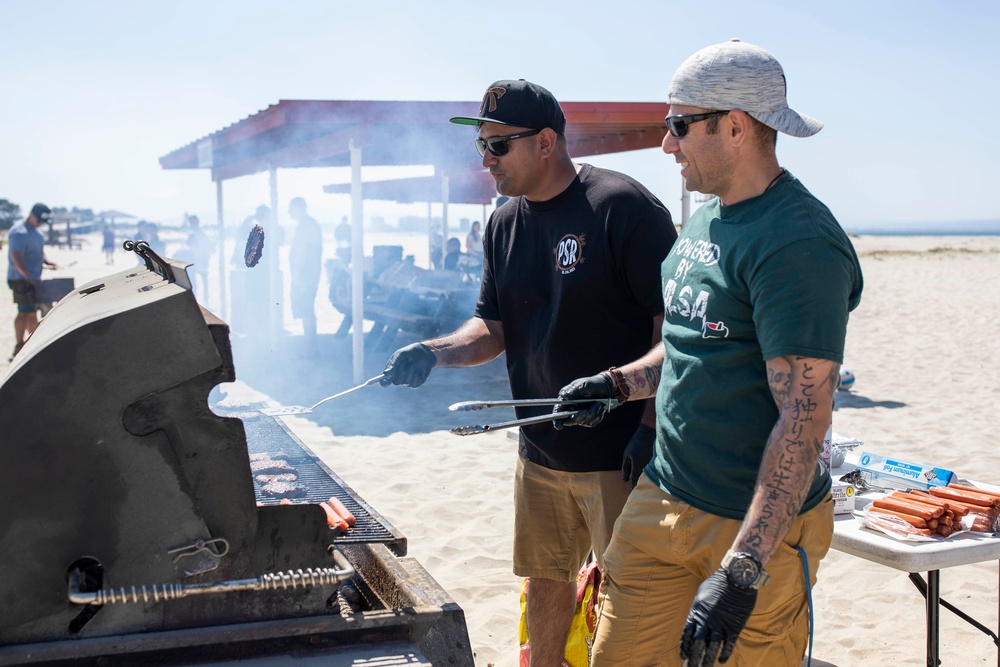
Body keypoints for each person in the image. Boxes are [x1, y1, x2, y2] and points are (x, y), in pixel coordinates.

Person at [556, 40, 864, 667]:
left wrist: (745, 568)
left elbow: (805, 418)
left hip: (755, 528)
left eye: (677, 126)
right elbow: (692, 343)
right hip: (665, 496)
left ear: (735, 127)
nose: (666, 144)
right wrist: (615, 384)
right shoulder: (706, 217)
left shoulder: (797, 243)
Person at [378, 79, 677, 667]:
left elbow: (675, 332)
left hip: (620, 454)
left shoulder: (623, 208)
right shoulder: (504, 222)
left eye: (497, 146)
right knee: (545, 579)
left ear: (545, 142)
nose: (485, 161)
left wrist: (647, 426)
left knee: (628, 597)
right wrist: (434, 352)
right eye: (481, 147)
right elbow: (493, 328)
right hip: (538, 449)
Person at [6, 203, 58, 360]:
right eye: (39, 220)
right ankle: (23, 346)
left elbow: (40, 252)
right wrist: (28, 276)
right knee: (27, 312)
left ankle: (29, 346)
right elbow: (16, 258)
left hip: (34, 279)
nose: (40, 223)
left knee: (29, 312)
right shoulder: (19, 232)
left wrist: (47, 261)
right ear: (31, 214)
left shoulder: (38, 231)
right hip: (20, 279)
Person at [288, 197, 323, 356]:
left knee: (306, 309)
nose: (289, 212)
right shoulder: (309, 224)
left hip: (305, 276)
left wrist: (296, 277)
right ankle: (310, 346)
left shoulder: (307, 226)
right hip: (308, 275)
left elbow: (302, 252)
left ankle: (310, 348)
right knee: (307, 309)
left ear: (299, 208)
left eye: (291, 208)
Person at [184, 214, 212, 302]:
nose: (192, 224)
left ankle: (206, 301)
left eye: (193, 222)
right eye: (191, 222)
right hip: (193, 261)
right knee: (194, 284)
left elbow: (206, 247)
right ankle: (196, 302)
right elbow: (188, 246)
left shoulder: (201, 233)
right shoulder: (190, 234)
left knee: (204, 283)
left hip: (201, 260)